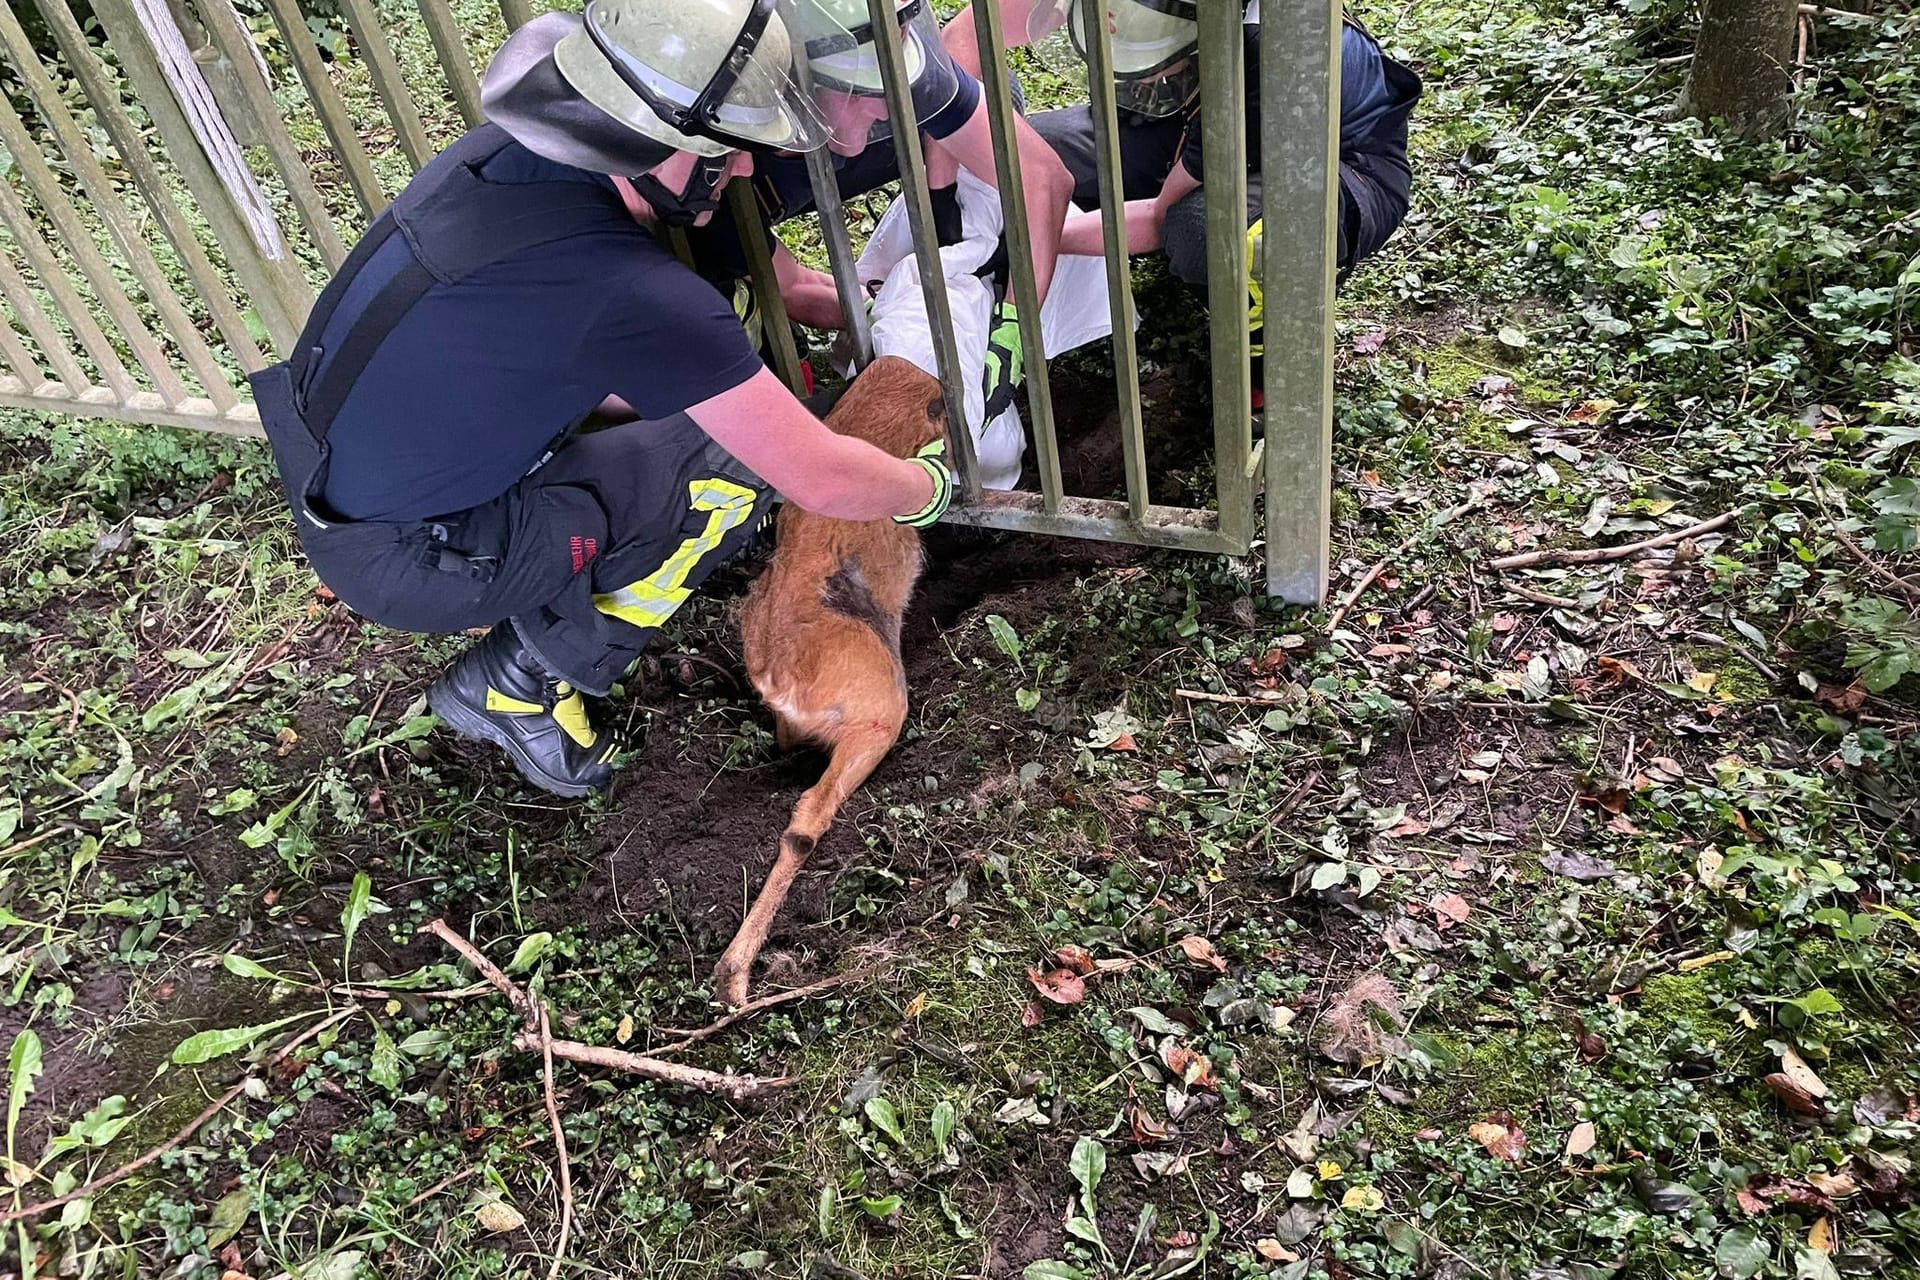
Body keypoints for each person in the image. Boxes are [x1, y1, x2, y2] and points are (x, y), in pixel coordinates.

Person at [246, 0, 959, 800]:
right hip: (416, 560)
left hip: (343, 471)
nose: (750, 171)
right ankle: (522, 682)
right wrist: (928, 487)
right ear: (649, 144)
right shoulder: (628, 291)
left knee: (702, 422)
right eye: (725, 152)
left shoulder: (507, 161)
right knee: (739, 462)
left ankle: (587, 543)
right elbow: (820, 478)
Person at [953, 0, 1421, 383]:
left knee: (1202, 229)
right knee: (1035, 150)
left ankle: (1268, 358)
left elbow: (1158, 218)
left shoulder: (1270, 56)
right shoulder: (1176, 42)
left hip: (1341, 167)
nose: (1135, 85)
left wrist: (1031, 241)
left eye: (1150, 75)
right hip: (1190, 115)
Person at [683, 0, 1074, 328]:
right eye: (864, 85)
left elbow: (1043, 177)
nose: (891, 107)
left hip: (842, 134)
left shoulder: (893, 56)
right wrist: (892, 321)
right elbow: (792, 286)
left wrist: (1013, 326)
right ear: (790, 79)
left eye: (893, 80)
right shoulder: (708, 168)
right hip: (768, 172)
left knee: (979, 121)